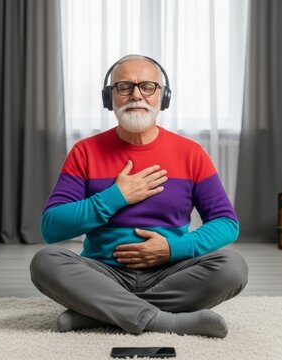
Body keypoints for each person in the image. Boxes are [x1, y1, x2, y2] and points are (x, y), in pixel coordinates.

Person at [30, 54, 247, 338]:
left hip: (171, 273)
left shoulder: (190, 153)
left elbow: (226, 223)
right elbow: (51, 227)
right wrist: (115, 196)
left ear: (163, 96)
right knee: (45, 262)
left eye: (147, 87)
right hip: (103, 273)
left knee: (233, 268)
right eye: (124, 87)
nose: (136, 95)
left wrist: (173, 249)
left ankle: (99, 313)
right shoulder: (85, 151)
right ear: (110, 98)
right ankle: (162, 321)